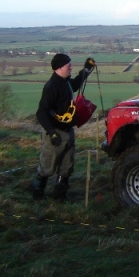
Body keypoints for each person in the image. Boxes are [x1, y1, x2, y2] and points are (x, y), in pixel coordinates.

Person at [33, 54, 95, 201]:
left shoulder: (65, 82)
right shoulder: (51, 86)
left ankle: (60, 198)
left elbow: (75, 84)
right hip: (55, 133)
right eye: (69, 65)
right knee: (47, 168)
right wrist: (52, 132)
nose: (71, 67)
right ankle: (37, 198)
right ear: (60, 67)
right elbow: (41, 112)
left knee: (66, 168)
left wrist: (86, 70)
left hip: (68, 131)